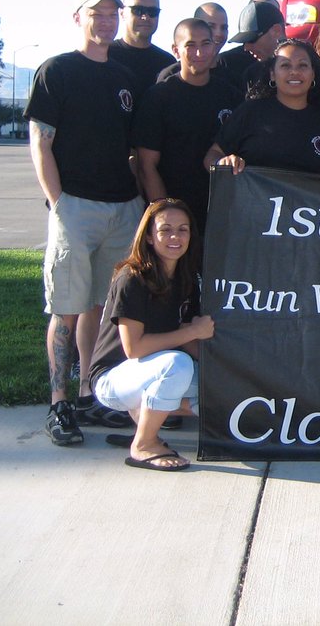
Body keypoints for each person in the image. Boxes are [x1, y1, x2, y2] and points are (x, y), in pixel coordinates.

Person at [24, 0, 146, 445]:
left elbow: (132, 149)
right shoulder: (57, 71)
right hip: (75, 206)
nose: (107, 21)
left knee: (100, 306)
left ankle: (89, 394)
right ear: (79, 17)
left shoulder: (124, 78)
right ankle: (59, 405)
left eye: (114, 13)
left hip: (122, 207)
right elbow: (41, 142)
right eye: (98, 13)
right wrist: (59, 203)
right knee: (66, 308)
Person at [90, 199, 215, 471]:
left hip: (153, 370)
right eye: (165, 229)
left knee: (216, 390)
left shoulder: (186, 278)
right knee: (177, 364)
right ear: (148, 236)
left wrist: (220, 375)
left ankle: (145, 419)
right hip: (114, 377)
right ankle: (144, 444)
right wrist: (193, 331)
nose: (175, 237)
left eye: (183, 230)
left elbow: (185, 335)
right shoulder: (132, 278)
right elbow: (134, 349)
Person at [133, 18, 242, 230]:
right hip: (176, 215)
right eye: (191, 46)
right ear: (176, 50)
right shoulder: (159, 97)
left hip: (222, 213)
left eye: (206, 44)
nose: (200, 53)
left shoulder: (232, 96)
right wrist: (164, 216)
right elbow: (146, 165)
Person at [205, 39, 320, 175]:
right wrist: (223, 163)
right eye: (285, 65)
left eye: (302, 65)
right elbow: (212, 155)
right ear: (272, 74)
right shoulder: (251, 112)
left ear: (313, 73)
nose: (294, 72)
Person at [108, 0, 175, 96]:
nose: (145, 17)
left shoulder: (167, 63)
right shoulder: (106, 55)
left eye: (153, 11)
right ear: (122, 13)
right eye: (138, 10)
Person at [219, 0, 288, 96]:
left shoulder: (309, 62)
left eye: (252, 39)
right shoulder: (252, 74)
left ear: (276, 31)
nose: (246, 48)